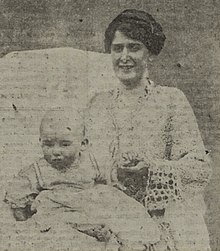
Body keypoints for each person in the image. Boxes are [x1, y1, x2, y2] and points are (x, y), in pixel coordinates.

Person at [86, 9, 212, 251]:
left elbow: (199, 168)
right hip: (105, 220)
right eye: (117, 48)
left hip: (158, 219)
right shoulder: (96, 104)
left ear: (151, 53)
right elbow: (84, 164)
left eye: (134, 47)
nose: (124, 56)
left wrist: (152, 169)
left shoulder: (171, 100)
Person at [4, 107, 161, 251]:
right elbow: (18, 194)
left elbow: (109, 177)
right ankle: (91, 233)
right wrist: (22, 219)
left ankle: (128, 239)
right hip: (60, 210)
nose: (56, 151)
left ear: (83, 144)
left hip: (89, 206)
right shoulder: (38, 169)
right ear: (40, 142)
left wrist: (122, 167)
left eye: (65, 145)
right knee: (56, 231)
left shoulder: (90, 162)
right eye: (48, 144)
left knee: (118, 207)